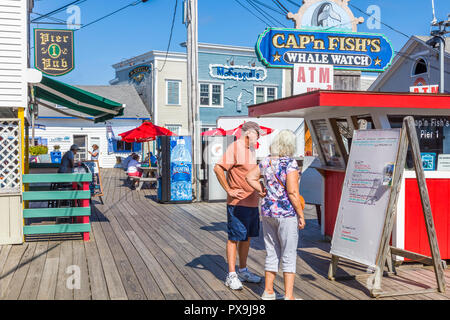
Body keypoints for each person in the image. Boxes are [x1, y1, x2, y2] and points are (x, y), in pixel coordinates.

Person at [246, 129, 306, 300]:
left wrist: (261, 189)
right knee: (288, 253)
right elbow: (293, 193)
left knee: (272, 252)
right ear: (290, 145)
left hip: (267, 212)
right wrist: (301, 215)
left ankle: (268, 291)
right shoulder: (290, 164)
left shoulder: (266, 162)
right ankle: (289, 296)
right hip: (286, 214)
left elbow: (250, 177)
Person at [214, 121, 263, 290]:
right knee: (234, 238)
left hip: (252, 203)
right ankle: (231, 274)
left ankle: (243, 270)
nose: (259, 138)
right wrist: (229, 190)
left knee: (246, 237)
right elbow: (218, 168)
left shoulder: (251, 149)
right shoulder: (235, 147)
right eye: (258, 135)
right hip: (237, 203)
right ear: (249, 133)